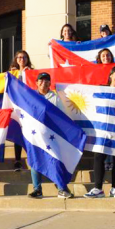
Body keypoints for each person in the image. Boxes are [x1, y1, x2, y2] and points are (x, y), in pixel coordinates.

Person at [25, 72, 75, 200]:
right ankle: (37, 189)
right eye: (41, 81)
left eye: (47, 81)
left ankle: (61, 188)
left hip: (51, 135)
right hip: (35, 135)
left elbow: (61, 116)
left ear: (50, 84)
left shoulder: (55, 98)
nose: (44, 83)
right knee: (35, 161)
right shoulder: (31, 96)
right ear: (36, 83)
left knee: (55, 161)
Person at [83, 67, 115, 199]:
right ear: (111, 75)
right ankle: (98, 188)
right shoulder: (100, 90)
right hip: (102, 130)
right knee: (99, 157)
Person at [8, 50, 34, 171]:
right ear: (16, 59)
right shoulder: (12, 73)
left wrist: (29, 74)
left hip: (28, 106)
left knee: (29, 131)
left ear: (27, 59)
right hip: (16, 105)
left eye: (24, 57)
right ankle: (17, 160)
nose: (21, 59)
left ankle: (32, 157)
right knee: (17, 130)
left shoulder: (32, 72)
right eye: (19, 57)